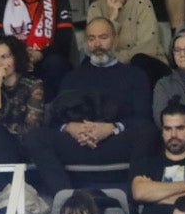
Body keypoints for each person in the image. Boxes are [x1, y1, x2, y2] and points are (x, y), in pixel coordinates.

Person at [46, 16, 154, 178]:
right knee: (36, 137)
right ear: (86, 43)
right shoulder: (71, 77)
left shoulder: (135, 75)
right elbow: (55, 121)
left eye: (103, 38)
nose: (97, 44)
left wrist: (112, 128)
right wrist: (71, 127)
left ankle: (136, 195)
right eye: (91, 39)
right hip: (78, 145)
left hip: (116, 144)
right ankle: (64, 195)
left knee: (148, 131)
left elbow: (144, 118)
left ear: (115, 40)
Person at [0, 37, 69, 193]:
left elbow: (32, 128)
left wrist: (3, 128)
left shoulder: (33, 84)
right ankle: (19, 193)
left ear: (16, 58)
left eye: (5, 57)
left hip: (22, 146)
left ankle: (11, 197)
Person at [0, 0, 75, 98]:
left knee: (56, 63)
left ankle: (48, 109)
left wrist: (39, 54)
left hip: (45, 59)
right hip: (12, 60)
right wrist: (19, 55)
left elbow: (64, 41)